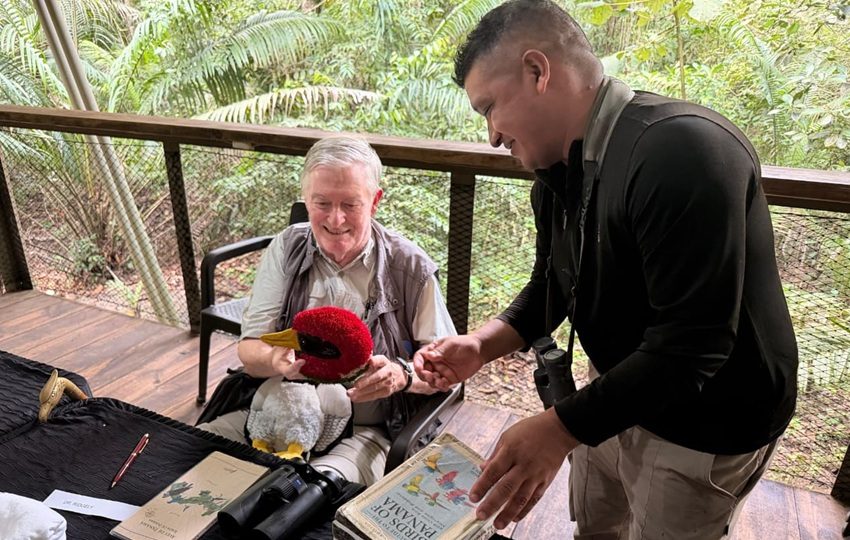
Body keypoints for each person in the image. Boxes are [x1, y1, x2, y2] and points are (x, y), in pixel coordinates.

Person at [414, 1, 798, 538]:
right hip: (615, 386)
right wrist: (482, 345)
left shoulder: (680, 150)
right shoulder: (557, 172)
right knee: (596, 527)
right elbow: (552, 286)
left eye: (489, 108)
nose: (493, 136)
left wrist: (559, 428)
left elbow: (694, 345)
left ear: (537, 70)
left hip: (708, 418)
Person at [199, 135, 456, 486]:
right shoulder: (287, 248)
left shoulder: (408, 267)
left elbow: (449, 369)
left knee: (309, 495)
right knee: (194, 456)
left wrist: (402, 374)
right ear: (306, 200)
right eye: (322, 203)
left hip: (367, 428)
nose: (336, 220)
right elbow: (249, 349)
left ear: (375, 201)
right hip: (276, 409)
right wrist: (275, 361)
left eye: (351, 204)